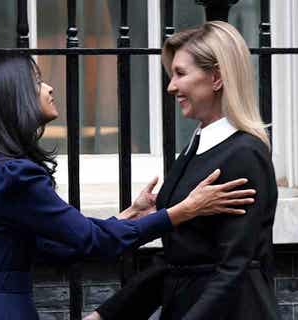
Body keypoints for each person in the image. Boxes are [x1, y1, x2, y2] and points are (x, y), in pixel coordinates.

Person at [0, 53, 258, 320]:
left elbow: (62, 246)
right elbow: (91, 241)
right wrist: (182, 211)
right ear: (10, 101)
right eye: (35, 83)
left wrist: (130, 215)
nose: (48, 88)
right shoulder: (13, 177)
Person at [85, 21, 279, 320]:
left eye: (180, 74)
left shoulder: (244, 154)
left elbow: (233, 267)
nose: (171, 86)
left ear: (216, 78)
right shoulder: (194, 149)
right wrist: (106, 315)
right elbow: (178, 261)